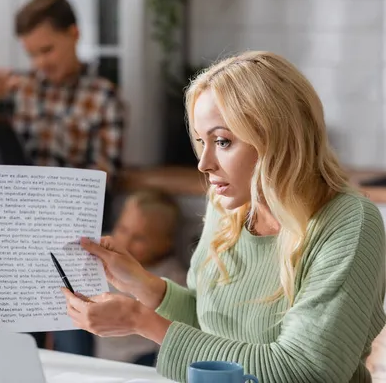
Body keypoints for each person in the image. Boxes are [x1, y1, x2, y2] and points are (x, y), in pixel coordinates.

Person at [62, 51, 386, 383]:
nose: (204, 163)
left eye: (222, 141)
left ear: (278, 137)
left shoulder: (349, 222)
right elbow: (212, 327)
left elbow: (303, 371)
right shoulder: (229, 206)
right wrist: (144, 286)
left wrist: (141, 321)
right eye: (202, 141)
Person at [0, 0, 126, 357]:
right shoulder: (18, 90)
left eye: (48, 50)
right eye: (32, 54)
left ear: (73, 34)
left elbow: (105, 177)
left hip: (73, 246)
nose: (40, 62)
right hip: (19, 247)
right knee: (16, 349)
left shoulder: (105, 98)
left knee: (75, 345)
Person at [95, 188, 186, 366]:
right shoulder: (103, 258)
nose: (125, 243)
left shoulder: (174, 277)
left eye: (139, 238)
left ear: (165, 244)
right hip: (98, 355)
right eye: (122, 229)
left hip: (140, 360)